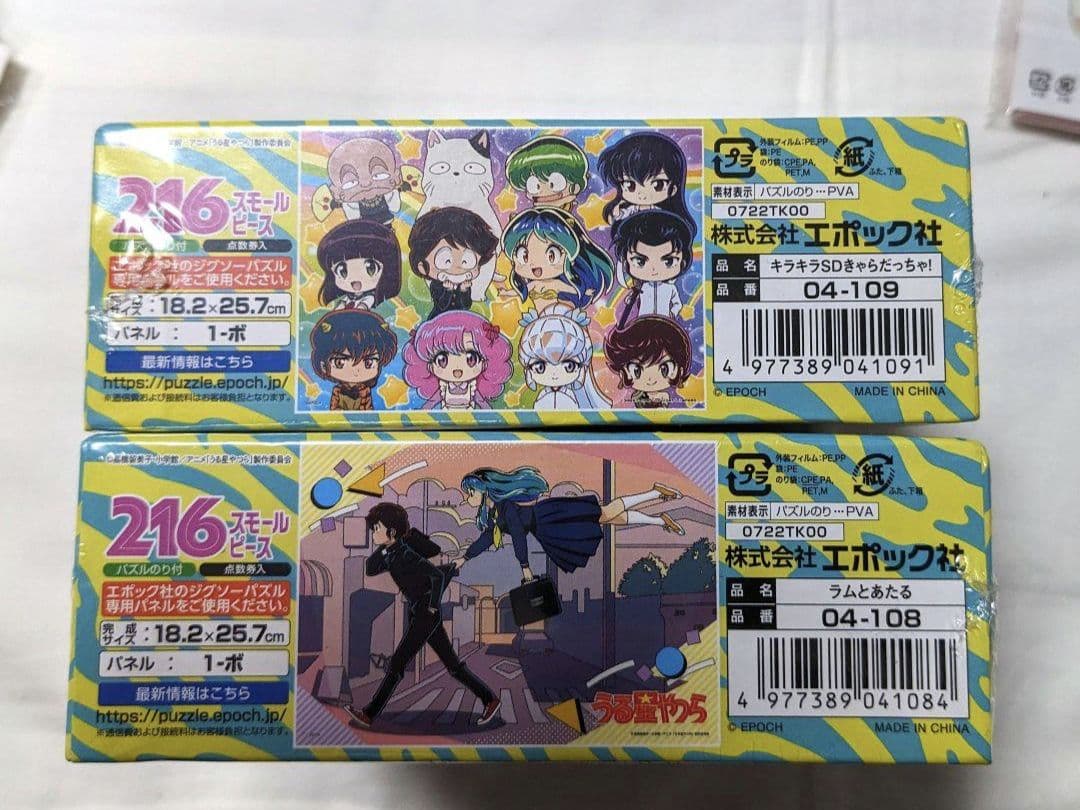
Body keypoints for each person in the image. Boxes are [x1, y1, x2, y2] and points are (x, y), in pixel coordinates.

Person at [343, 502, 501, 729]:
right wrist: (387, 545)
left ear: (391, 531)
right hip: (420, 611)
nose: (373, 533)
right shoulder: (392, 552)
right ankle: (490, 699)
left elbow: (437, 576)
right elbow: (370, 568)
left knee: (397, 663)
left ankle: (369, 714)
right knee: (453, 666)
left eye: (377, 528)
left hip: (425, 613)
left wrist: (433, 608)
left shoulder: (406, 554)